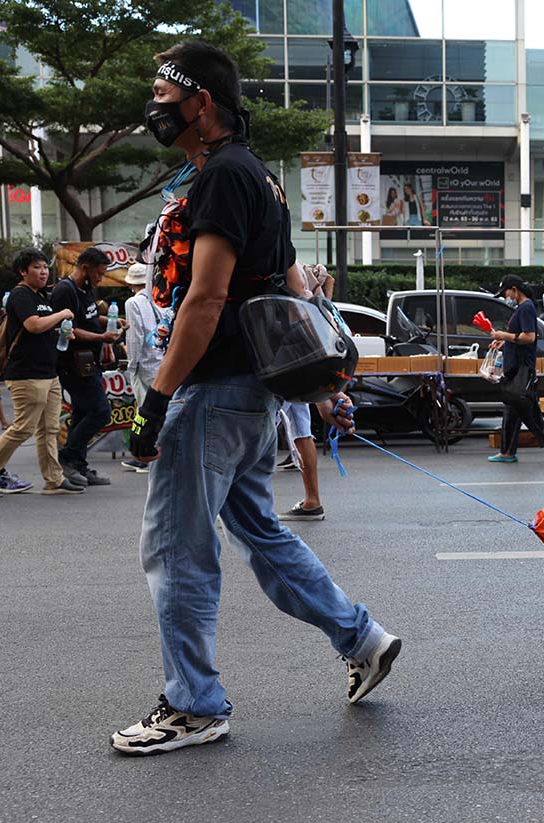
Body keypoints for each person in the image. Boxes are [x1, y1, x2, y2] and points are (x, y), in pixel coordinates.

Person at [115, 41, 399, 756]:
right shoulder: (255, 178)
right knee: (260, 531)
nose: (154, 106)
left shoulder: (222, 179)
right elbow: (294, 282)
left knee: (177, 547)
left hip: (214, 391)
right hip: (252, 395)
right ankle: (361, 636)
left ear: (200, 103)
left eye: (163, 93)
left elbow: (206, 300)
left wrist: (154, 400)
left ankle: (194, 705)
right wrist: (326, 384)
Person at [0, 249, 82, 496]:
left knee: (50, 429)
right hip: (25, 373)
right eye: (37, 267)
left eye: (44, 267)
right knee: (22, 428)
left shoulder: (40, 295)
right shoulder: (21, 295)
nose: (43, 272)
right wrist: (61, 314)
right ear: (23, 271)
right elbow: (33, 325)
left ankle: (54, 479)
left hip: (48, 372)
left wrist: (62, 332)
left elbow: (44, 328)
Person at [50, 247, 120, 487]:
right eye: (99, 273)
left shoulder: (85, 288)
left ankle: (77, 463)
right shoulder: (64, 291)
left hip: (89, 361)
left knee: (82, 412)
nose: (101, 279)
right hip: (72, 362)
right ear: (86, 268)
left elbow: (88, 318)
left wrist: (111, 322)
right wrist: (102, 338)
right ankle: (68, 457)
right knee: (100, 411)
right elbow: (69, 328)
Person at [278, 261, 337, 521]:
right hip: (303, 362)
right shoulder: (306, 273)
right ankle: (312, 499)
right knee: (302, 432)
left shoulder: (284, 266)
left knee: (257, 430)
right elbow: (328, 290)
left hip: (283, 363)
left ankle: (244, 511)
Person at [487, 273, 544, 464]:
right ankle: (507, 452)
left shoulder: (527, 307)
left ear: (514, 289)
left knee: (524, 407)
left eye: (506, 292)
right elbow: (519, 337)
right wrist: (504, 343)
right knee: (512, 407)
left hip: (523, 366)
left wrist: (504, 336)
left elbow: (529, 337)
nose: (506, 296)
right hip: (515, 365)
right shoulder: (522, 308)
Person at [121, 262, 164, 473]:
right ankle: (158, 451)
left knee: (143, 409)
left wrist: (132, 364)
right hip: (161, 360)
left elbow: (135, 335)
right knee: (161, 409)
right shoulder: (159, 299)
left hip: (144, 362)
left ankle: (145, 454)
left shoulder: (132, 303)